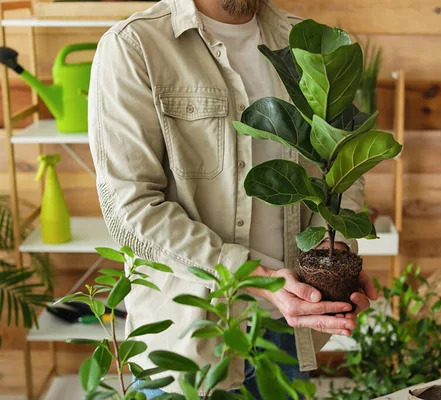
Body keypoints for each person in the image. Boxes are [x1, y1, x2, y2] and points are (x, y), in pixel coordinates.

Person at [88, 0, 378, 397]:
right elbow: (132, 210)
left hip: (290, 335)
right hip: (192, 341)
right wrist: (259, 281)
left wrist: (336, 249)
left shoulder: (307, 42)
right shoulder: (135, 46)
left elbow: (343, 162)